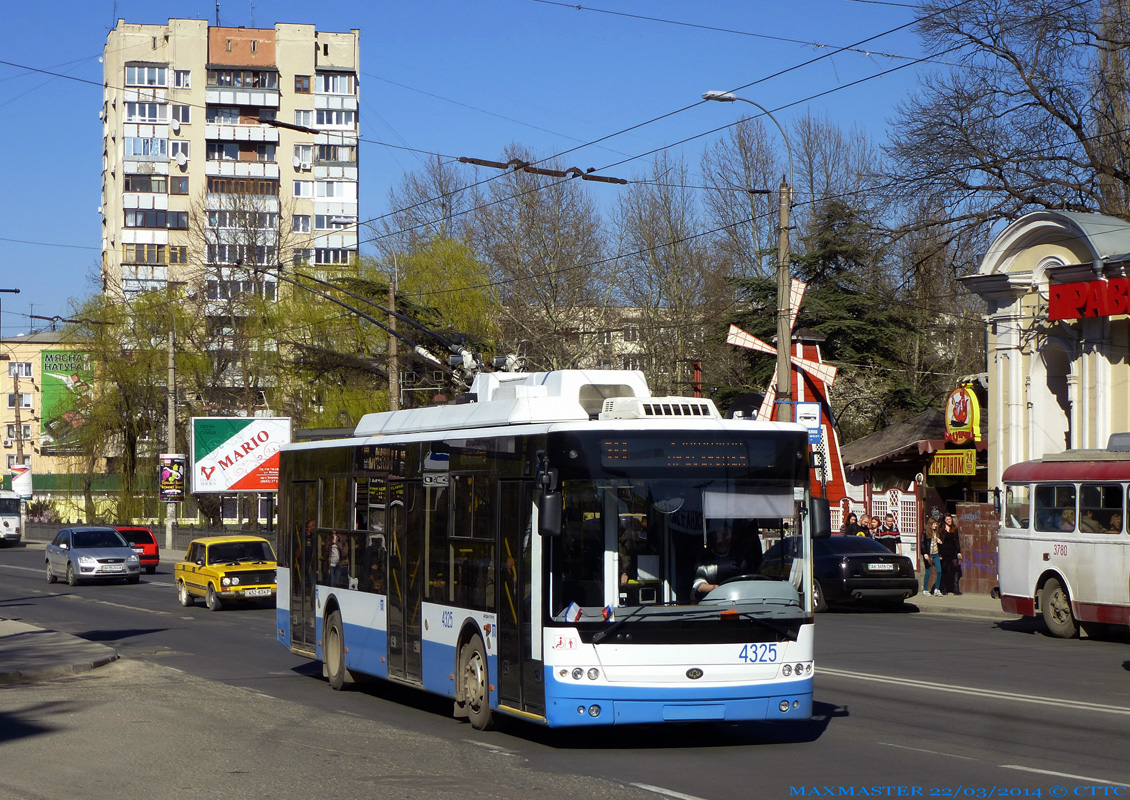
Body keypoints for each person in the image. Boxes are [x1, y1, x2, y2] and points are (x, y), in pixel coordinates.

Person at [693, 524, 749, 599]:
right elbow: (698, 585)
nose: (724, 533)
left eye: (728, 529)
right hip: (712, 602)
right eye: (720, 530)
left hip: (737, 600)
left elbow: (747, 584)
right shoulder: (705, 560)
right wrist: (716, 588)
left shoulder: (739, 559)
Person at [939, 513, 962, 595]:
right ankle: (944, 588)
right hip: (944, 551)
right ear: (944, 521)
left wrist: (959, 551)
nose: (949, 521)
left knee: (956, 568)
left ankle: (956, 588)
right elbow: (939, 542)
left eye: (950, 519)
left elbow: (956, 541)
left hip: (952, 551)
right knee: (944, 569)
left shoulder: (954, 528)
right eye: (947, 520)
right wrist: (939, 554)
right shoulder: (941, 529)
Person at [921, 518, 943, 596]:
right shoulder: (925, 532)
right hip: (928, 554)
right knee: (928, 571)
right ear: (930, 525)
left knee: (939, 571)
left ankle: (937, 589)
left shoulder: (937, 532)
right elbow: (922, 543)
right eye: (933, 524)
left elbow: (941, 542)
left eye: (936, 524)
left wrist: (940, 542)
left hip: (936, 553)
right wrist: (925, 553)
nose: (935, 526)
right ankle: (926, 590)